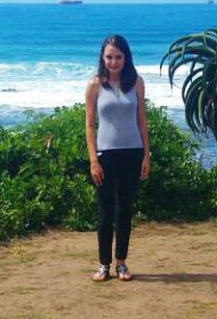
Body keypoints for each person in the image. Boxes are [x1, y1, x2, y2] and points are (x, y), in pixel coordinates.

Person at [85, 34, 150, 281]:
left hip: (132, 153)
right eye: (109, 57)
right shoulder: (94, 85)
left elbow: (141, 121)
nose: (114, 62)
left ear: (126, 57)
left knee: (125, 211)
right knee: (105, 213)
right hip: (105, 156)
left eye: (118, 57)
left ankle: (121, 262)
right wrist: (93, 160)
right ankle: (104, 265)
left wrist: (146, 155)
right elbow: (89, 126)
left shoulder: (136, 83)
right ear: (103, 58)